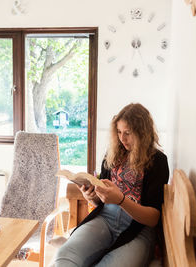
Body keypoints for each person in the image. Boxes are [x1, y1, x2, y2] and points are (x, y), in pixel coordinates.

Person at [53, 103, 169, 267]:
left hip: (139, 229)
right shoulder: (113, 155)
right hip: (105, 219)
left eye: (128, 133)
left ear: (143, 133)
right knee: (64, 255)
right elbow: (101, 202)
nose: (122, 139)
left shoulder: (158, 161)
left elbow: (153, 218)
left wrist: (121, 200)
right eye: (119, 132)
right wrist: (91, 196)